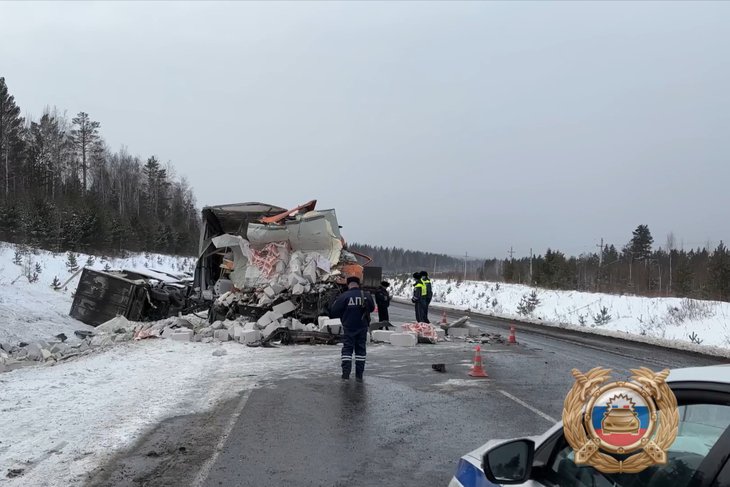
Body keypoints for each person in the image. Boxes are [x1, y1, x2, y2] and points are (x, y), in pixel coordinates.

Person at [329, 276, 375, 381]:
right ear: (358, 284)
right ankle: (359, 375)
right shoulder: (366, 295)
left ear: (348, 284)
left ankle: (346, 374)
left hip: (349, 327)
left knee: (347, 350)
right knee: (361, 351)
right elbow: (372, 308)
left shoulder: (344, 296)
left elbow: (334, 311)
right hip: (362, 326)